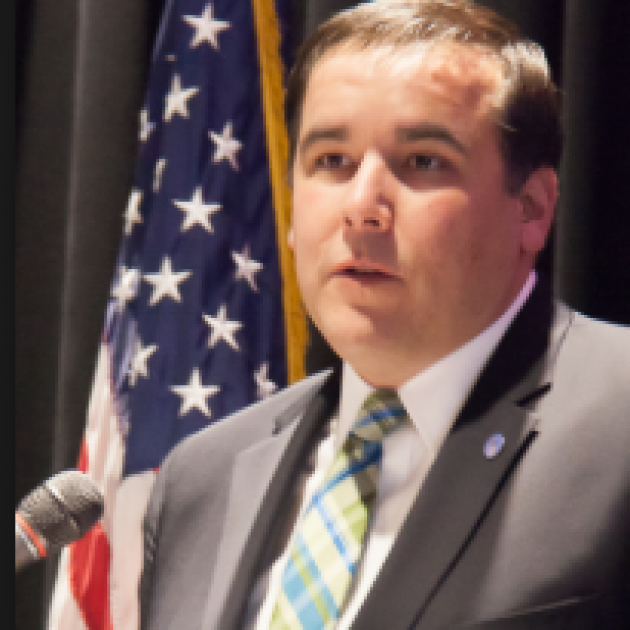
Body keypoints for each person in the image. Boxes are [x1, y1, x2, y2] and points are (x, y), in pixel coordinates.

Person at [139, 1, 630, 628]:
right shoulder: (200, 480)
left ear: (531, 207)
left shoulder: (617, 422)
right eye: (331, 162)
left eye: (423, 161)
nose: (362, 207)